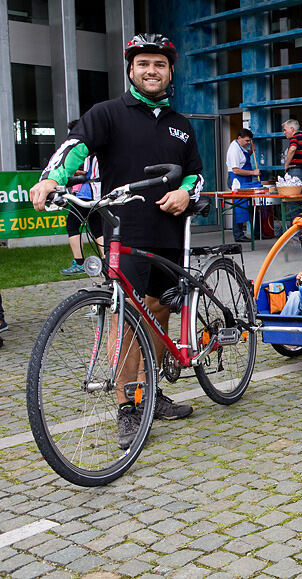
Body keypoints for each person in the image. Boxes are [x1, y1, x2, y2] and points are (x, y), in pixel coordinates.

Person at [30, 32, 204, 449]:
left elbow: (196, 174)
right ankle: (129, 406)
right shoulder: (108, 113)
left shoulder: (182, 126)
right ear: (131, 69)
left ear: (170, 72)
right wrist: (52, 178)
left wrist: (185, 193)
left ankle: (153, 393)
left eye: (159, 65)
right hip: (124, 233)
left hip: (168, 234)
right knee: (126, 318)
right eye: (143, 64)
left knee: (159, 314)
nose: (151, 71)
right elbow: (75, 147)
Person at [60, 119, 104, 275]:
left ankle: (78, 261)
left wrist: (71, 171)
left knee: (72, 225)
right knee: (97, 228)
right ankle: (106, 261)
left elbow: (83, 171)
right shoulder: (100, 146)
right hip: (97, 194)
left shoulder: (85, 148)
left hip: (86, 193)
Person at [226, 128, 262, 242]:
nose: (248, 143)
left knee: (251, 205)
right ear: (239, 138)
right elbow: (236, 170)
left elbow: (243, 161)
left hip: (246, 180)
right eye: (246, 141)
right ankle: (238, 234)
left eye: (249, 141)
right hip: (237, 180)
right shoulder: (234, 149)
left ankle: (256, 232)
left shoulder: (242, 147)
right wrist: (253, 173)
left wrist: (251, 152)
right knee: (239, 207)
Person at [282, 119, 302, 192]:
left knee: (292, 197)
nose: (284, 132)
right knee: (300, 197)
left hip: (295, 170)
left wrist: (286, 165)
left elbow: (292, 149)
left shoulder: (294, 138)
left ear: (292, 129)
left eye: (285, 130)